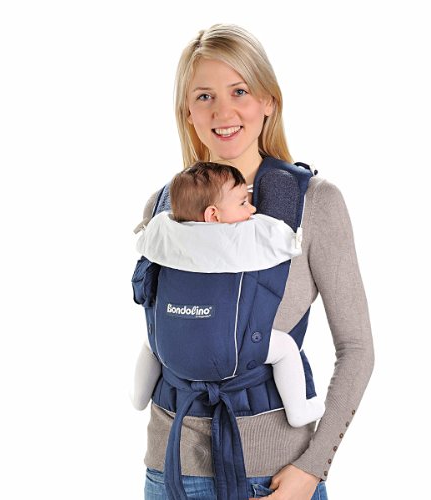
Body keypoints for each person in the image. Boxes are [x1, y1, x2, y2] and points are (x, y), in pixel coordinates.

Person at [132, 24, 374, 500]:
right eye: (204, 96)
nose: (223, 112)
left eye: (239, 91)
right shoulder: (162, 208)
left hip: (274, 476)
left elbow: (357, 348)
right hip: (168, 471)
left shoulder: (314, 204)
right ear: (187, 113)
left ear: (268, 101)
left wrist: (312, 468)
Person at [132, 161, 326, 430]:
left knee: (149, 344)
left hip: (170, 349)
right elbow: (282, 239)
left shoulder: (163, 233)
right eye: (243, 203)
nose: (252, 209)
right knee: (285, 348)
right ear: (213, 215)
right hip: (230, 355)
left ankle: (138, 398)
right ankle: (298, 410)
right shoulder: (245, 238)